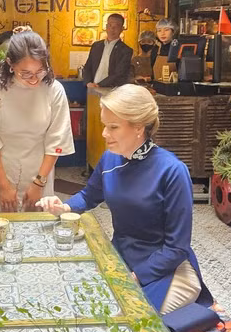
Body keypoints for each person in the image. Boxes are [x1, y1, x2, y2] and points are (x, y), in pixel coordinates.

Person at [37, 84, 212, 314]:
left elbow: (177, 248)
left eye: (113, 127)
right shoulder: (110, 159)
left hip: (166, 269)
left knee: (130, 317)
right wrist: (64, 207)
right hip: (122, 256)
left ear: (139, 128)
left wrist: (135, 277)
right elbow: (90, 195)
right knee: (83, 302)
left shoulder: (172, 171)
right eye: (104, 126)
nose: (104, 134)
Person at [0, 26, 75, 212]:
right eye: (25, 73)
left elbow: (56, 141)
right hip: (1, 172)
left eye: (40, 71)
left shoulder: (54, 90)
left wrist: (38, 184)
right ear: (10, 64)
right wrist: (4, 186)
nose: (34, 79)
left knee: (38, 231)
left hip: (40, 171)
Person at [82, 13, 133, 88]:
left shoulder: (126, 50)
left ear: (122, 29)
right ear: (106, 27)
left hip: (112, 89)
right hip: (92, 88)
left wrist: (99, 85)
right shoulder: (96, 46)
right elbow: (87, 67)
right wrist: (88, 82)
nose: (112, 29)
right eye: (110, 25)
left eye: (116, 26)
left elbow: (119, 73)